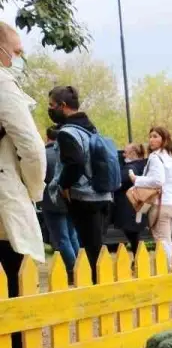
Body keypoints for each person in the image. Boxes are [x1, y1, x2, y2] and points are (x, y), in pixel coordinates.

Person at [0, 22, 46, 348]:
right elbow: (31, 147)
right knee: (14, 279)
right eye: (15, 52)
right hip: (4, 198)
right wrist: (34, 190)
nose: (17, 58)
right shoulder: (2, 83)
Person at [48, 84, 113, 274]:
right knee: (97, 248)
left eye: (52, 105)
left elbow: (74, 162)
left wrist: (64, 185)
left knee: (89, 251)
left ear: (62, 105)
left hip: (83, 197)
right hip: (101, 193)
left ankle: (95, 290)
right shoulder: (91, 129)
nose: (50, 110)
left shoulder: (68, 132)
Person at [129, 125, 172, 268]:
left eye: (155, 136)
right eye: (150, 136)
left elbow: (158, 180)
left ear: (164, 139)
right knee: (167, 239)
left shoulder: (155, 156)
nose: (151, 140)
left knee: (162, 240)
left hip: (161, 205)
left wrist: (136, 179)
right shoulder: (171, 157)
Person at [42, 126, 79, 282]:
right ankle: (81, 266)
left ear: (47, 137)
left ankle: (72, 270)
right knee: (72, 235)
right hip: (69, 197)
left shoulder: (44, 155)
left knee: (62, 238)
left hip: (51, 200)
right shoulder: (65, 153)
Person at [112, 142, 146, 250]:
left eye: (125, 152)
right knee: (134, 235)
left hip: (129, 206)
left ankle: (138, 257)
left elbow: (118, 183)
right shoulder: (143, 166)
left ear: (134, 153)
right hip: (137, 205)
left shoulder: (129, 169)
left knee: (132, 235)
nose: (123, 155)